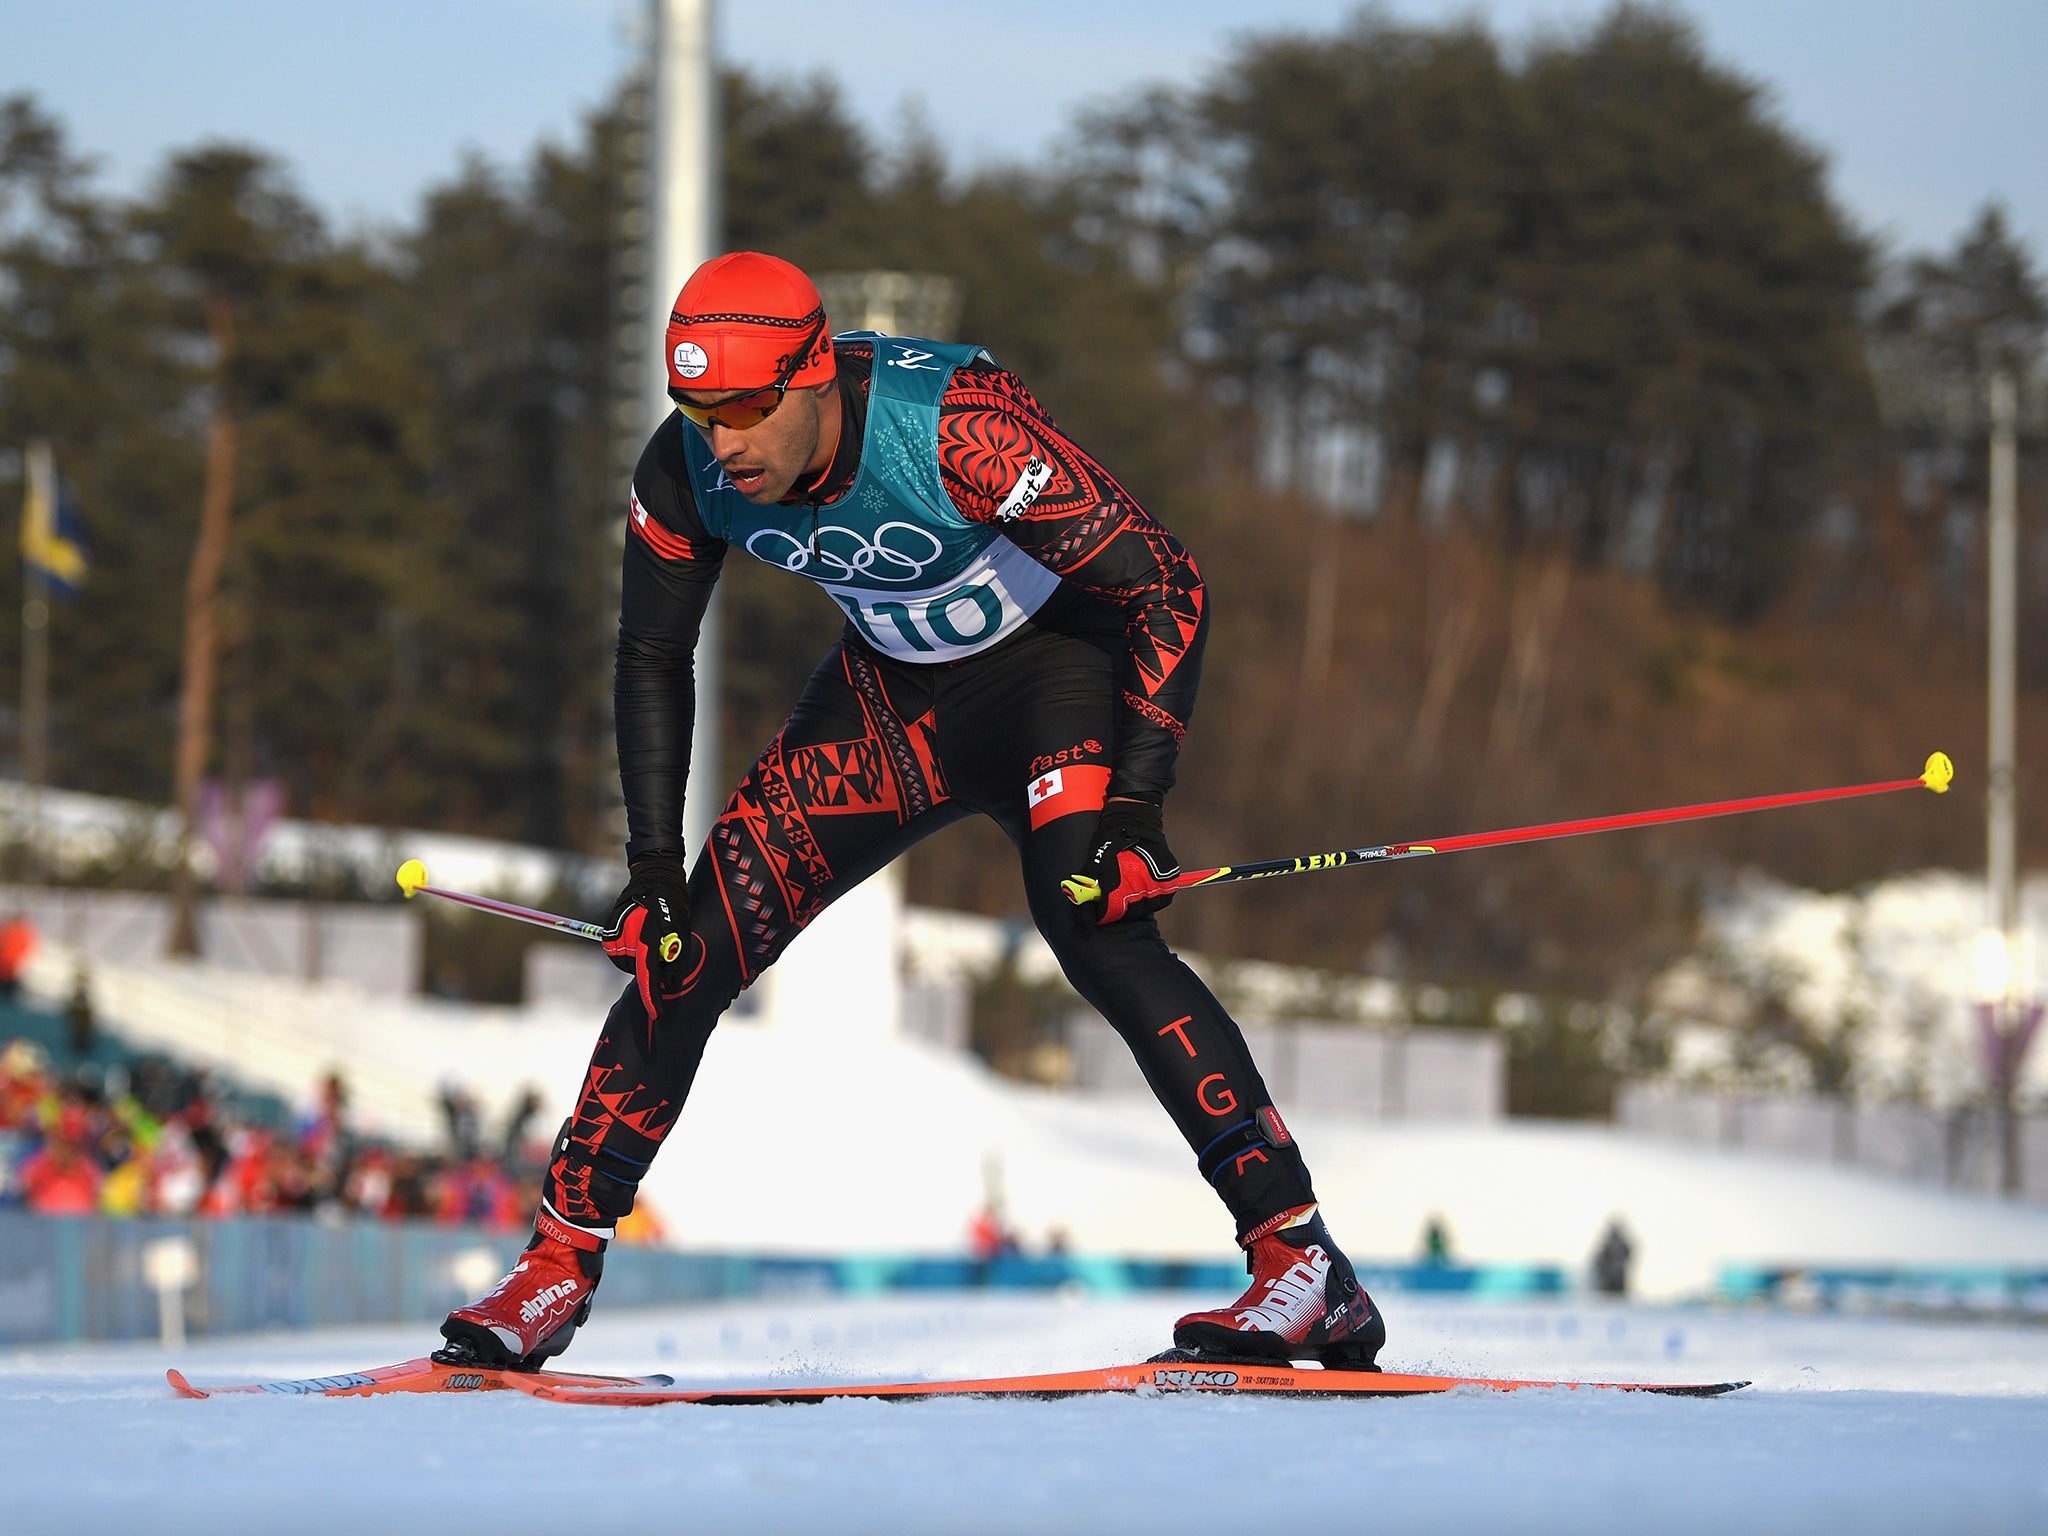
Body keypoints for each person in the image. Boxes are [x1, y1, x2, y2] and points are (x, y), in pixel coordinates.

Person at [440, 252, 1383, 1372]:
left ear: (813, 375)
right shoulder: (685, 469)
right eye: (693, 407)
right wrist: (651, 867)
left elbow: (1166, 583)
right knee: (681, 951)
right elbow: (652, 651)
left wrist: (1135, 806)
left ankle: (1298, 1260)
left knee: (1095, 929)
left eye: (742, 407)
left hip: (1050, 682)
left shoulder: (955, 431)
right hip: (889, 709)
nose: (720, 440)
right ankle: (552, 1267)